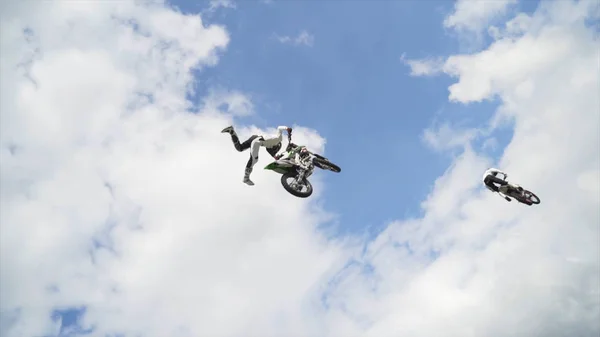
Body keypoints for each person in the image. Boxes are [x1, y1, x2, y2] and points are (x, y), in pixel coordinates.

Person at [221, 125, 292, 185]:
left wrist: (277, 157)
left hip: (255, 137)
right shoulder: (278, 139)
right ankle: (246, 178)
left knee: (240, 148)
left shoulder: (269, 146)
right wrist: (287, 129)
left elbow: (272, 154)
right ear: (277, 146)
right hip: (257, 141)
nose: (271, 151)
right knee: (254, 159)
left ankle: (231, 131)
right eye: (273, 150)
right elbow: (279, 128)